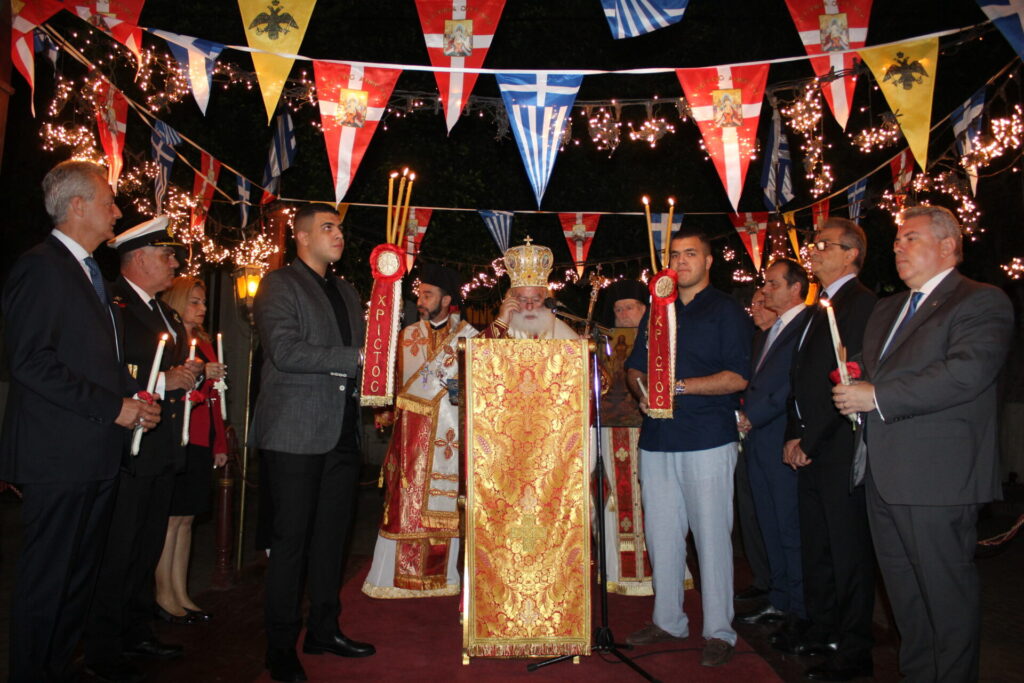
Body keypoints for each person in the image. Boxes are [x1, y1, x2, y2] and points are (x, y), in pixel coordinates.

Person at [834, 205, 1013, 682]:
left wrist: (877, 395)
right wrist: (853, 375)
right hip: (884, 474)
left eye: (910, 237)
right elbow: (877, 369)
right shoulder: (888, 308)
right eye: (897, 240)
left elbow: (966, 373)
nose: (897, 246)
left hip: (938, 476)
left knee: (945, 600)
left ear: (948, 245)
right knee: (906, 603)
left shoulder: (979, 300)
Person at [1, 160, 160, 683]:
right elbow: (31, 362)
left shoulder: (91, 274)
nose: (116, 212)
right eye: (109, 202)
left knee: (77, 582)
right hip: (58, 455)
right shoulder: (41, 267)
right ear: (76, 206)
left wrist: (134, 397)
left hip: (95, 454)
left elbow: (97, 362)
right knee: (48, 582)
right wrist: (113, 408)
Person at [250, 203, 374, 682]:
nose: (338, 234)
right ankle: (279, 645)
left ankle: (324, 629)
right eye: (327, 227)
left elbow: (363, 359)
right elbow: (285, 352)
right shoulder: (278, 284)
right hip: (294, 432)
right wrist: (357, 358)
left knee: (330, 541)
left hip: (342, 431)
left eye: (339, 227)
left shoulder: (346, 291)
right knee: (291, 543)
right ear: (301, 237)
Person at [624, 229, 753, 668]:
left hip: (706, 437)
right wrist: (643, 390)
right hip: (657, 438)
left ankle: (719, 630)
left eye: (690, 254)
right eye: (675, 255)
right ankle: (668, 619)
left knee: (711, 535)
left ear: (708, 261)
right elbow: (634, 367)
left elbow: (737, 376)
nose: (681, 262)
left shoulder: (726, 310)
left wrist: (677, 387)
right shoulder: (658, 310)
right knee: (661, 535)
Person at [84, 215, 202, 683]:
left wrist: (186, 377)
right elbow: (103, 369)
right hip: (126, 450)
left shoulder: (164, 313)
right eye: (166, 255)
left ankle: (137, 629)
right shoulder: (112, 305)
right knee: (118, 550)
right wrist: (159, 382)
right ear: (137, 259)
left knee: (146, 546)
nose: (174, 263)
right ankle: (102, 646)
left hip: (160, 446)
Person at [779, 217, 876, 681]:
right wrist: (792, 434)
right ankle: (822, 627)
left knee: (847, 551)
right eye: (813, 244)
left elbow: (847, 378)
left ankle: (854, 650)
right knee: (816, 545)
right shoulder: (820, 307)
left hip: (838, 445)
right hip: (810, 444)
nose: (813, 251)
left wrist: (810, 439)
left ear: (851, 253)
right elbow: (801, 380)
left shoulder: (863, 305)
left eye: (824, 245)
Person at [362, 264, 477, 598]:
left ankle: (446, 578)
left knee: (447, 507)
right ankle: (392, 578)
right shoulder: (408, 335)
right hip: (411, 438)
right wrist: (384, 410)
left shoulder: (469, 338)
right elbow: (397, 381)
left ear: (447, 300)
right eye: (420, 294)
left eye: (428, 294)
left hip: (450, 438)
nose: (421, 301)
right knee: (405, 504)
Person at [736, 261, 810, 630]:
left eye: (772, 284)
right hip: (759, 441)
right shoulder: (771, 331)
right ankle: (779, 599)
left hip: (782, 437)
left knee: (789, 527)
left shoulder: (806, 325)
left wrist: (754, 415)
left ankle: (799, 608)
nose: (764, 291)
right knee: (768, 523)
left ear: (796, 288)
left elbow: (795, 382)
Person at [154, 276, 229, 623]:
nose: (202, 309)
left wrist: (219, 443)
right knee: (171, 519)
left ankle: (181, 592)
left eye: (204, 302)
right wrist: (201, 374)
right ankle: (163, 594)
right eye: (194, 301)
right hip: (176, 437)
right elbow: (167, 384)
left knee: (187, 520)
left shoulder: (204, 343)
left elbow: (216, 400)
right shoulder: (170, 341)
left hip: (201, 436)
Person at [595, 279, 657, 596]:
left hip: (649, 430)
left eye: (629, 308)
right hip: (610, 430)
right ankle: (617, 570)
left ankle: (654, 570)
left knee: (648, 498)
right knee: (612, 498)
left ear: (645, 310)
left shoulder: (657, 340)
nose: (622, 315)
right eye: (618, 310)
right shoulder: (603, 343)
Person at [734, 288, 776, 604]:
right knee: (750, 514)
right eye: (753, 303)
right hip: (745, 438)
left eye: (762, 302)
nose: (756, 308)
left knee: (774, 517)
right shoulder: (754, 340)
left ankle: (778, 586)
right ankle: (762, 578)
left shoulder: (784, 339)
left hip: (771, 436)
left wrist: (753, 416)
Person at [485, 237, 578, 340]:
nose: (529, 307)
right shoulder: (502, 329)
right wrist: (502, 321)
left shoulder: (560, 331)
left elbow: (579, 349)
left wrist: (583, 346)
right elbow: (476, 348)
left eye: (536, 300)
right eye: (522, 300)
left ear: (546, 299)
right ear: (511, 300)